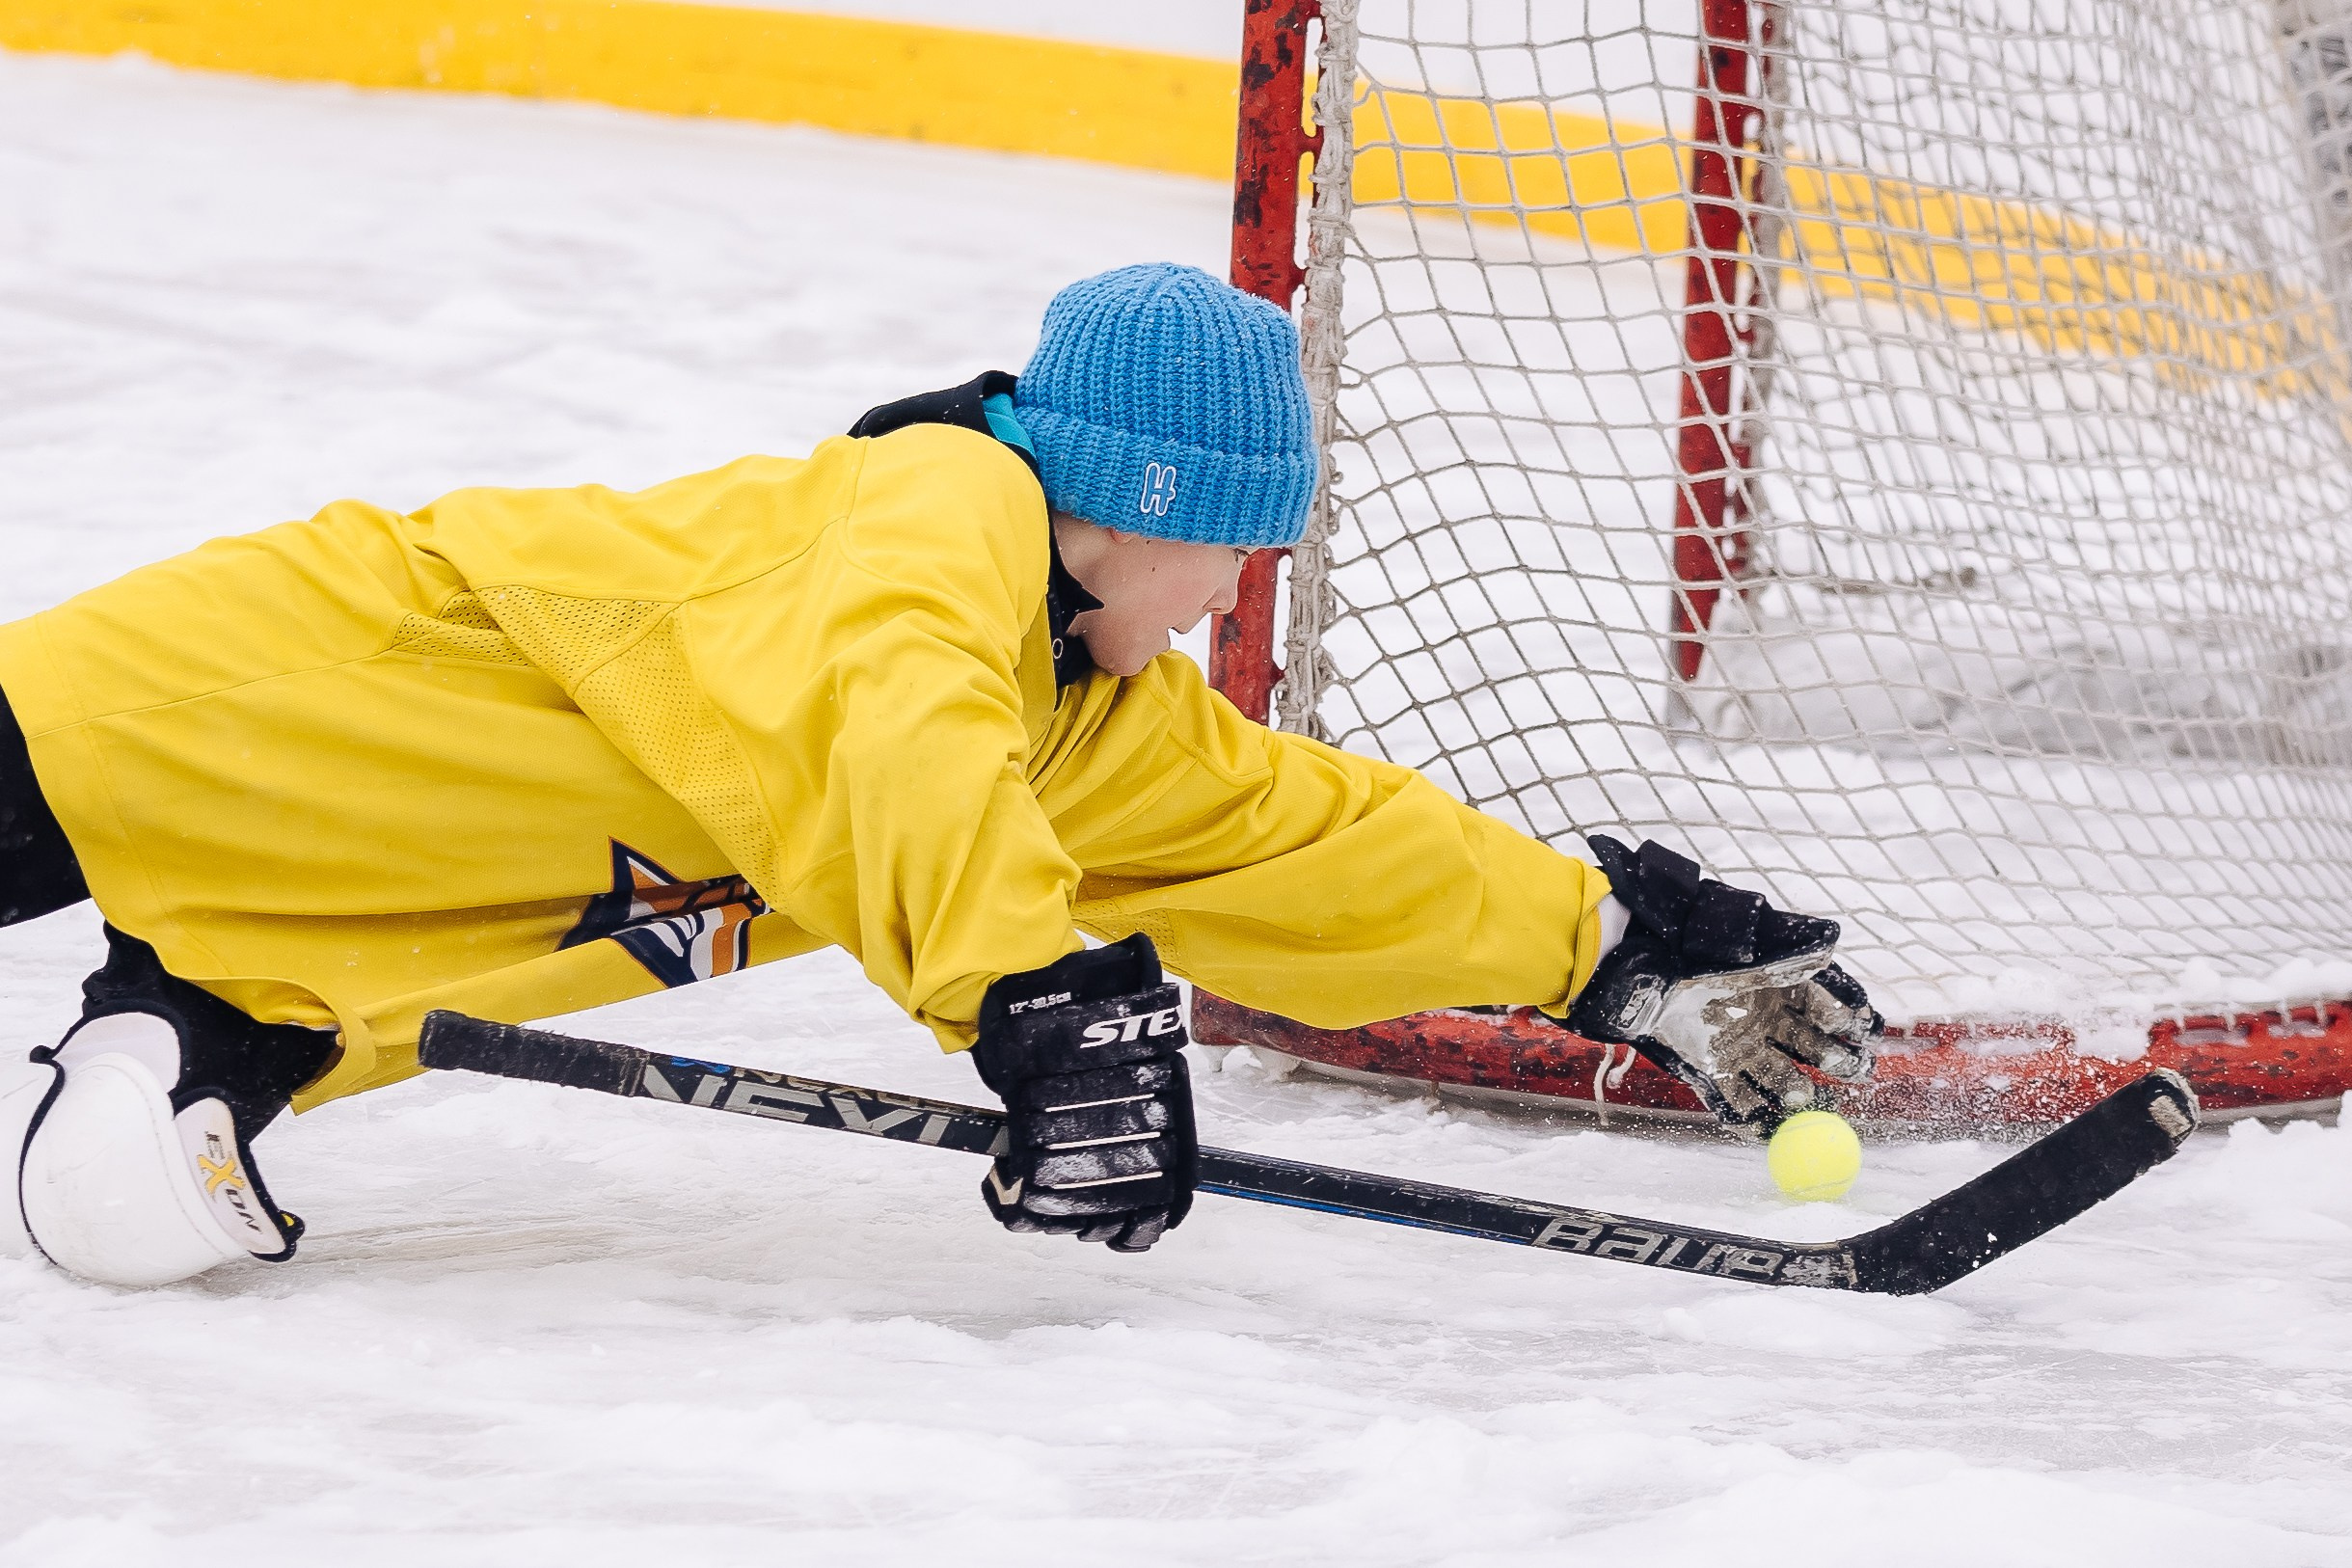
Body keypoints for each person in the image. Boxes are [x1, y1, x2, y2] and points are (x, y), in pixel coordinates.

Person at [0, 263, 1880, 1288]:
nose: (1241, 590)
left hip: (318, 921)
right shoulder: (928, 519)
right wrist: (1041, 1002)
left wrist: (1598, 947)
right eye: (1236, 545)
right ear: (1135, 503)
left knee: (131, 1212)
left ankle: (186, 1012)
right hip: (207, 705)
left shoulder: (1081, 716)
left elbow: (1292, 837)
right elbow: (895, 736)